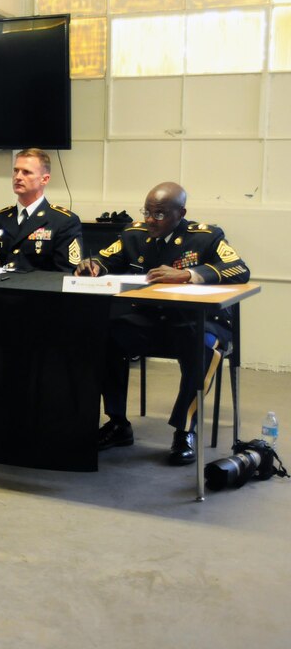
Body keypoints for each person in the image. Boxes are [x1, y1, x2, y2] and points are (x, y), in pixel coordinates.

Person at [75, 182, 250, 465]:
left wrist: (190, 275)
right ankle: (118, 423)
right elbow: (105, 259)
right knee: (104, 336)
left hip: (199, 322)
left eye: (159, 214)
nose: (150, 220)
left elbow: (240, 269)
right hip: (152, 321)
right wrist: (92, 265)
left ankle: (185, 430)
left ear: (180, 213)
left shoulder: (206, 237)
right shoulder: (134, 234)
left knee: (204, 348)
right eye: (147, 212)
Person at [0, 148, 82, 272]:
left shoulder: (63, 221)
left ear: (45, 179)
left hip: (38, 290)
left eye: (26, 172)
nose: (18, 177)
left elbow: (67, 274)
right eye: (16, 171)